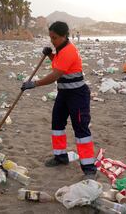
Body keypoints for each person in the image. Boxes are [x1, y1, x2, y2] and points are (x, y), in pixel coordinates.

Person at [21, 21, 97, 178]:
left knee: (81, 129)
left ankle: (89, 167)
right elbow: (58, 62)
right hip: (64, 93)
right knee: (57, 124)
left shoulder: (69, 51)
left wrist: (34, 84)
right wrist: (50, 55)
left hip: (77, 95)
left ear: (64, 36)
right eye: (50, 38)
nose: (52, 41)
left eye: (54, 38)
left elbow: (56, 74)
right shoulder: (61, 50)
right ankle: (61, 157)